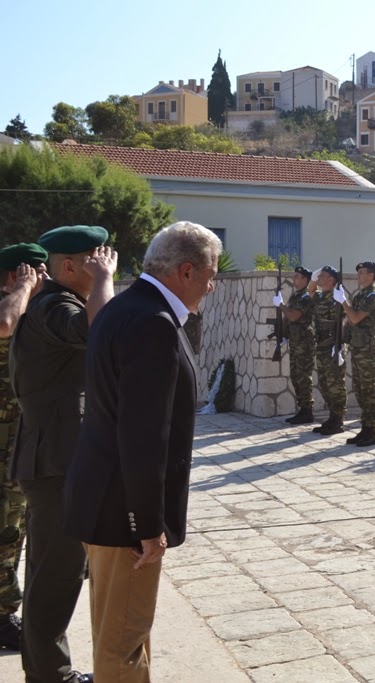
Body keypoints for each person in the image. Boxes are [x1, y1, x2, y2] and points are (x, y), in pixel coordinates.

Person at [63, 221, 219, 683]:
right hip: (121, 513)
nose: (213, 286)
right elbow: (143, 435)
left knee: (122, 631)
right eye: (211, 275)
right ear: (186, 271)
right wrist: (147, 525)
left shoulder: (125, 306)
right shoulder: (153, 323)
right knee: (121, 645)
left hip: (106, 500)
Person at [11, 225, 117, 683]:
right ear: (69, 266)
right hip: (56, 462)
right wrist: (108, 281)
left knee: (48, 576)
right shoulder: (55, 304)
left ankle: (47, 672)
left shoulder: (53, 301)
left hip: (53, 456)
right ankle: (51, 676)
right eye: (95, 258)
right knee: (56, 578)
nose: (104, 263)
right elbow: (102, 328)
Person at [0, 243, 48, 651]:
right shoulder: (8, 308)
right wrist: (21, 289)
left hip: (20, 443)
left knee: (13, 530)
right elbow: (3, 324)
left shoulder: (31, 312)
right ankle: (2, 618)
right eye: (36, 271)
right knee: (4, 530)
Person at [338, 261, 375, 447]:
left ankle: (371, 431)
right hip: (357, 346)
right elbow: (349, 320)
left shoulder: (374, 295)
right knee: (359, 389)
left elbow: (355, 318)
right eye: (358, 272)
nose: (358, 275)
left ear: (371, 276)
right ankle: (364, 429)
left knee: (367, 390)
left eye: (362, 272)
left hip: (366, 347)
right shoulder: (360, 295)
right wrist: (342, 342)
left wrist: (343, 302)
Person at [310, 266, 348, 436]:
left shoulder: (338, 296)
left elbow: (344, 321)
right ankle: (332, 417)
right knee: (324, 383)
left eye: (323, 276)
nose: (319, 278)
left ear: (332, 280)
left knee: (336, 385)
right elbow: (310, 291)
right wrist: (314, 276)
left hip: (334, 344)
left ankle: (338, 420)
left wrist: (338, 346)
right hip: (321, 345)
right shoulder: (320, 296)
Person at [276, 266, 316, 425]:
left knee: (303, 377)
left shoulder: (306, 297)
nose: (295, 279)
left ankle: (307, 410)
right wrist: (283, 334)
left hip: (304, 342)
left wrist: (281, 305)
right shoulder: (296, 295)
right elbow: (288, 317)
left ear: (306, 280)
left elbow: (293, 315)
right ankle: (302, 409)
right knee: (296, 376)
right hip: (295, 340)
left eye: (298, 277)